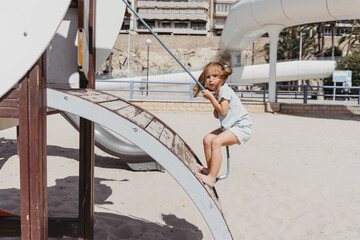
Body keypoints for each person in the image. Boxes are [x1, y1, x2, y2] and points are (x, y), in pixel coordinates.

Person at [193, 62, 253, 188]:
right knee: (207, 139)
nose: (211, 79)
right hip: (229, 127)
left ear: (222, 77)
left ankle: (211, 177)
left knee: (216, 142)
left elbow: (223, 111)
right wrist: (215, 104)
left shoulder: (225, 90)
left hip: (241, 127)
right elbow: (219, 114)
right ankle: (210, 169)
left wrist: (211, 99)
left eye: (215, 76)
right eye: (208, 77)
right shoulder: (218, 92)